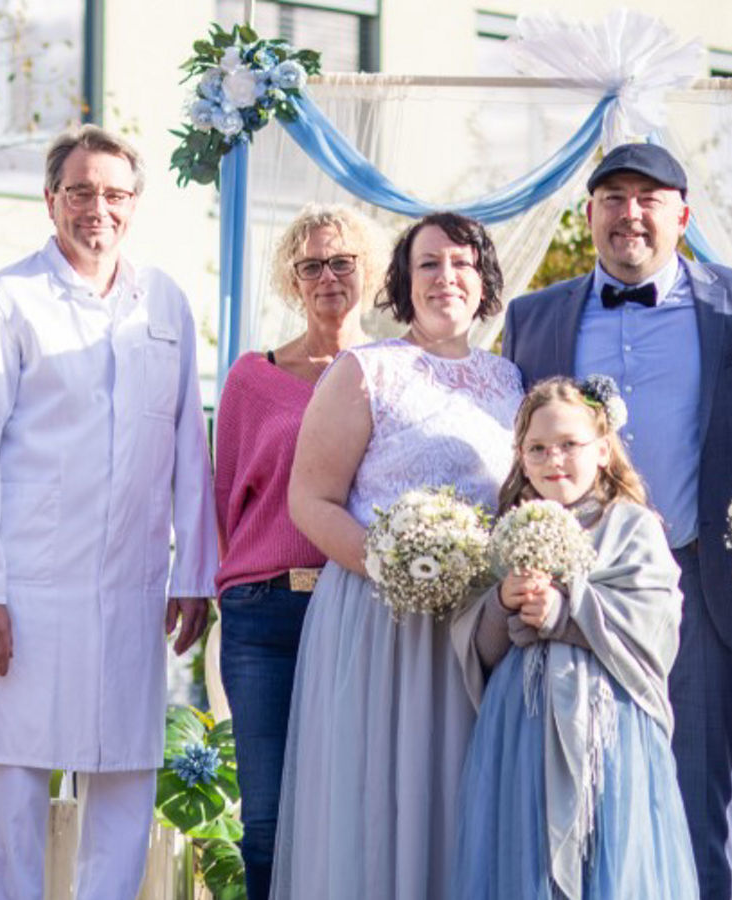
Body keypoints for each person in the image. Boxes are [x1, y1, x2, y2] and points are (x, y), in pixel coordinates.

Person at [0, 125, 218, 900]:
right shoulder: (6, 299)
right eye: (80, 191)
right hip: (26, 593)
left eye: (114, 194)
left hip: (132, 590)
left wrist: (194, 570)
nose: (97, 207)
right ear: (50, 201)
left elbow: (185, 448)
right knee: (16, 802)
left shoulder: (163, 299)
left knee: (126, 789)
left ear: (135, 205)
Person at [500, 142, 732, 900]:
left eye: (649, 197)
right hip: (564, 593)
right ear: (588, 215)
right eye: (613, 197)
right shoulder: (533, 317)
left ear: (683, 214)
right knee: (574, 794)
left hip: (696, 581)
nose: (630, 213)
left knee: (696, 799)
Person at [272, 212, 524, 899]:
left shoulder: (510, 382)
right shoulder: (366, 371)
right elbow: (311, 501)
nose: (447, 277)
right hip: (380, 622)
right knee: (380, 802)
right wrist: (396, 567)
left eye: (463, 264)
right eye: (429, 264)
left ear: (484, 281)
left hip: (478, 628)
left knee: (460, 795)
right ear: (403, 283)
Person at [452, 375, 698, 899]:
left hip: (608, 726)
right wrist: (502, 603)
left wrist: (564, 613)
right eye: (537, 449)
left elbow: (654, 628)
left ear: (603, 450)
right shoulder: (508, 529)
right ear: (520, 457)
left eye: (570, 445)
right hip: (521, 727)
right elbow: (485, 650)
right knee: (525, 859)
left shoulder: (632, 526)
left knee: (605, 855)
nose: (553, 459)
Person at [212, 203, 381, 899]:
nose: (328, 276)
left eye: (342, 261)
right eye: (312, 264)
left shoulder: (390, 371)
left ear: (367, 272)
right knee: (268, 822)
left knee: (357, 811)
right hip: (266, 613)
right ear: (292, 279)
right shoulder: (252, 378)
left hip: (360, 607)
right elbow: (226, 499)